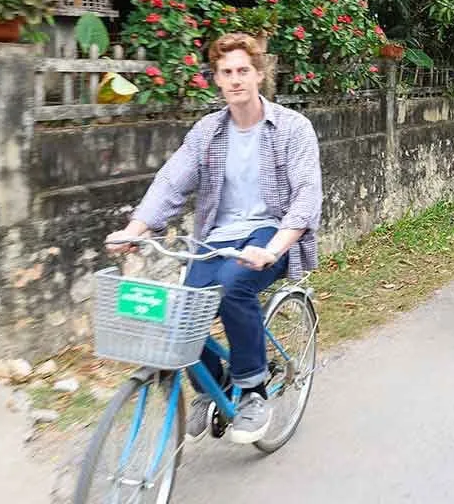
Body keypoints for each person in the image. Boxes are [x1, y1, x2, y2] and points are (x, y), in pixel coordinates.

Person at [105, 32, 322, 444]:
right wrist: (134, 231)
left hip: (268, 231)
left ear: (260, 75)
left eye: (244, 70)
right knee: (179, 310)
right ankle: (211, 387)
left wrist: (273, 248)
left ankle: (254, 391)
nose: (236, 79)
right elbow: (171, 181)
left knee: (234, 287)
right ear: (217, 80)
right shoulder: (207, 131)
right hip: (216, 237)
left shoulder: (293, 128)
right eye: (227, 72)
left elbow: (307, 197)